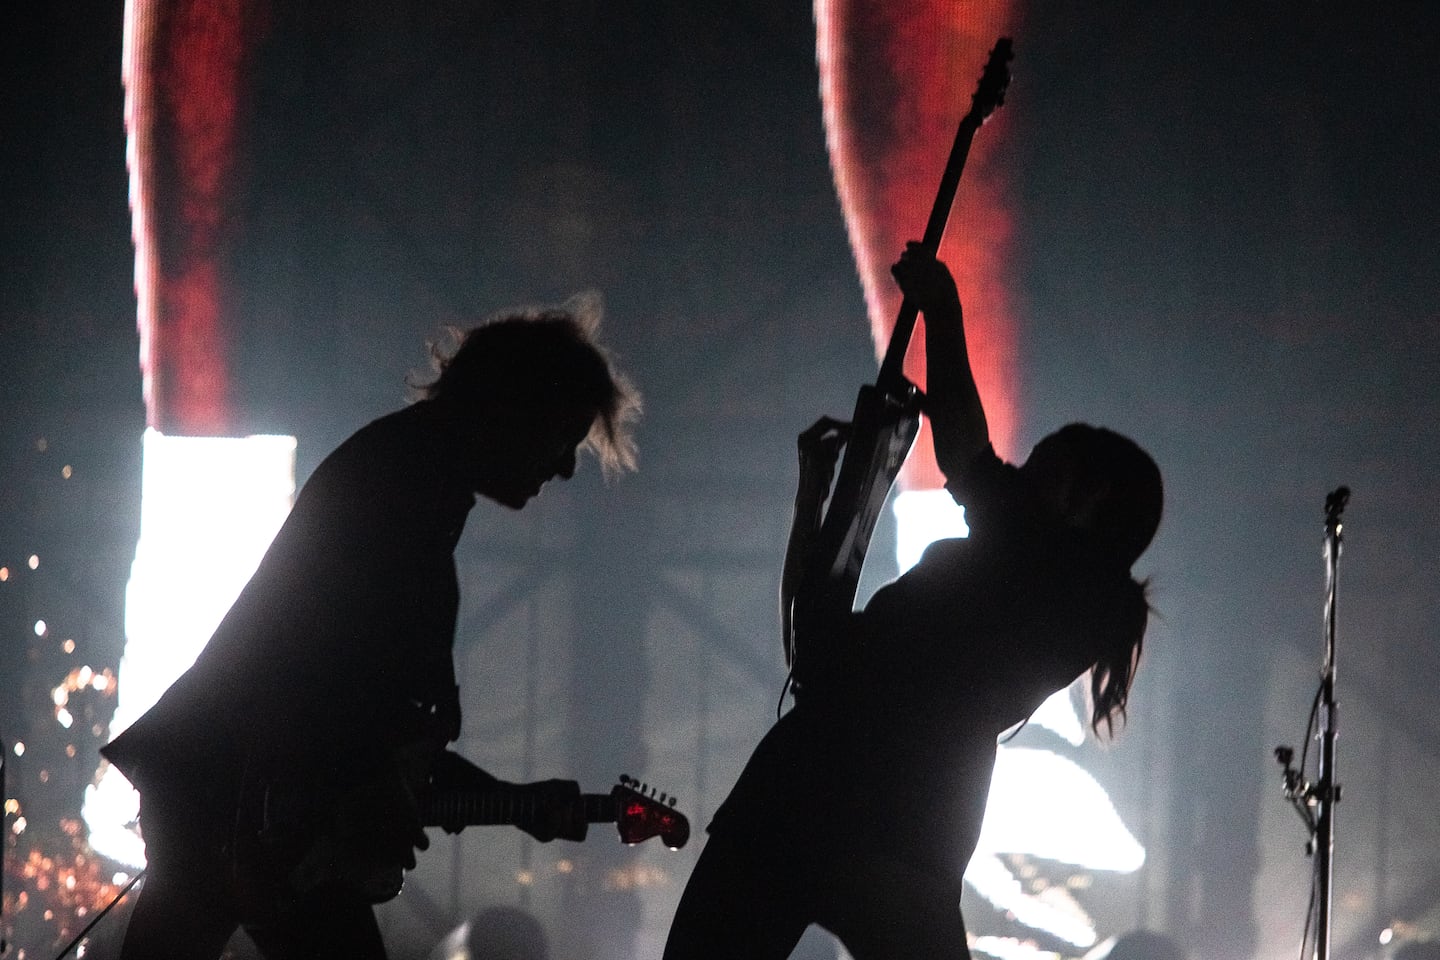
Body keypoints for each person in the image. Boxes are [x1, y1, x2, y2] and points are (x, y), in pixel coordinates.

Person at [662, 245, 1163, 960]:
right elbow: (820, 644)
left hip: (826, 804)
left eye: (1042, 470)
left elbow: (967, 461)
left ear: (1087, 504)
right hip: (897, 821)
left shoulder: (1069, 591)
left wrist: (942, 314)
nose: (1016, 475)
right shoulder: (1047, 588)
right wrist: (831, 498)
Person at [101, 301, 640, 960]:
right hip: (251, 801)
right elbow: (321, 684)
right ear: (515, 408)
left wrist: (505, 799)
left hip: (227, 786)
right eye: (564, 434)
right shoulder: (404, 489)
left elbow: (363, 708)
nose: (564, 468)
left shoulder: (406, 475)